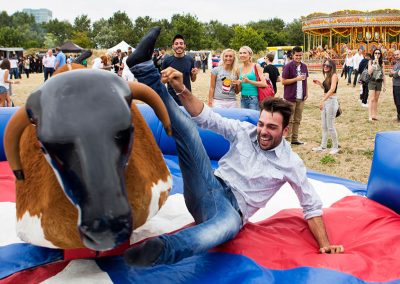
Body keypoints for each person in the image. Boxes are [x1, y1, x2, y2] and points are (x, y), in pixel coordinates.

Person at [123, 27, 344, 267]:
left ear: (285, 131)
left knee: (223, 229)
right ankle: (144, 69)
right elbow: (207, 117)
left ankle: (160, 250)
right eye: (261, 124)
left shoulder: (290, 162)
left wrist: (324, 244)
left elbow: (310, 204)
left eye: (271, 127)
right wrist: (182, 88)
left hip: (230, 211)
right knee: (187, 130)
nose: (262, 131)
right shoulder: (245, 131)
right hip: (207, 184)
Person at [281, 46, 308, 145]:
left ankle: (295, 139)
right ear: (293, 55)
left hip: (301, 97)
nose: (298, 57)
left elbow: (305, 81)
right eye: (296, 55)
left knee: (297, 119)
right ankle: (287, 140)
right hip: (290, 97)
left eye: (300, 55)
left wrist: (306, 93)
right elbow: (283, 81)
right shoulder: (288, 66)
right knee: (289, 120)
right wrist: (296, 79)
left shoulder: (304, 66)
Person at [161, 34, 198, 106]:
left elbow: (193, 80)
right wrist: (169, 77)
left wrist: (194, 74)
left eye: (181, 43)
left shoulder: (190, 60)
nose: (179, 45)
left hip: (187, 96)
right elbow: (162, 81)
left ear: (184, 46)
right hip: (172, 98)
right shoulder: (167, 61)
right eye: (176, 44)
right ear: (173, 46)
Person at [312, 59, 340, 155]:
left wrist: (322, 100)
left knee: (330, 126)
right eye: (324, 65)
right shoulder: (327, 76)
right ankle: (323, 146)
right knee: (324, 126)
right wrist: (320, 84)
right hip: (325, 101)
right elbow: (326, 89)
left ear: (332, 67)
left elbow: (332, 89)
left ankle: (335, 146)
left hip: (331, 101)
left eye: (327, 66)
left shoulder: (334, 75)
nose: (325, 67)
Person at [237, 46, 266, 110]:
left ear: (250, 55)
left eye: (244, 53)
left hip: (254, 99)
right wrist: (238, 84)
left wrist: (249, 81)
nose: (242, 55)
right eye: (240, 53)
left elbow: (264, 84)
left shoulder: (256, 66)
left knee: (253, 120)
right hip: (243, 99)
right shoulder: (239, 69)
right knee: (244, 120)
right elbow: (239, 90)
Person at [367, 49, 386, 121]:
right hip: (372, 81)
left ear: (380, 54)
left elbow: (383, 75)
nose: (377, 54)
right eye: (376, 53)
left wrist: (385, 85)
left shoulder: (382, 63)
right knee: (371, 98)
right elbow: (369, 72)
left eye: (379, 53)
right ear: (373, 54)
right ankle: (370, 116)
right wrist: (374, 64)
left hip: (379, 82)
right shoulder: (371, 61)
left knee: (376, 99)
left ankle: (374, 115)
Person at [389, 49, 400, 122]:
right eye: (395, 55)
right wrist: (393, 73)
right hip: (395, 85)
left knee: (399, 102)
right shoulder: (396, 63)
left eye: (397, 54)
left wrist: (394, 73)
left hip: (399, 85)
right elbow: (390, 74)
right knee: (396, 101)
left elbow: (398, 74)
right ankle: (398, 116)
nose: (396, 56)